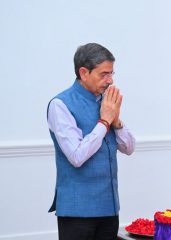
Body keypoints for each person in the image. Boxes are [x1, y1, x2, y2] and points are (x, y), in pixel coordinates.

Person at [47, 43, 135, 240]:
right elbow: (77, 156)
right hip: (78, 212)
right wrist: (104, 121)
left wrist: (116, 120)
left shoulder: (107, 102)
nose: (110, 81)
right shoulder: (60, 105)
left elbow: (129, 148)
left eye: (112, 73)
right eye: (103, 74)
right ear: (84, 72)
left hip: (109, 207)